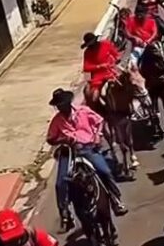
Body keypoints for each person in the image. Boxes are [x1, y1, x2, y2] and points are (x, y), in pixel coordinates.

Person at [46, 89, 127, 221]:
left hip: (87, 147)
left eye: (62, 104)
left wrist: (97, 136)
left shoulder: (83, 111)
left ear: (68, 103)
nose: (61, 108)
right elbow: (50, 139)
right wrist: (63, 140)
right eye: (58, 106)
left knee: (104, 171)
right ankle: (64, 212)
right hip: (69, 152)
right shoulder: (57, 121)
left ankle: (116, 199)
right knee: (60, 182)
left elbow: (99, 121)